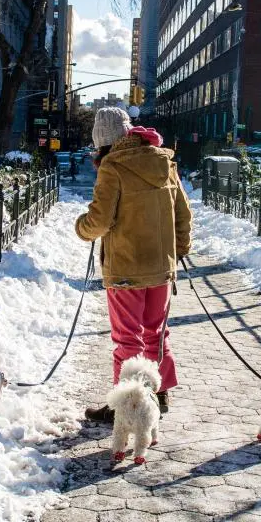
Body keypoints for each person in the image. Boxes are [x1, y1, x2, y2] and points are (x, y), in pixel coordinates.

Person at [75, 107, 192, 423]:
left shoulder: (113, 167)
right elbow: (183, 214)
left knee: (128, 340)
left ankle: (123, 408)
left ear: (103, 141)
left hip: (126, 268)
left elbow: (98, 221)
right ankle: (159, 393)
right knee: (156, 334)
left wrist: (81, 226)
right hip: (162, 269)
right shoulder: (164, 162)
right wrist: (177, 250)